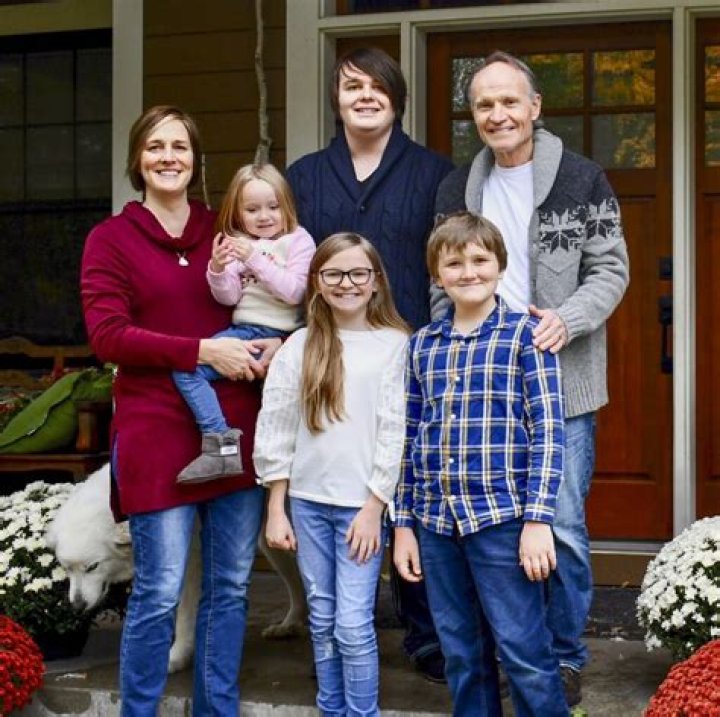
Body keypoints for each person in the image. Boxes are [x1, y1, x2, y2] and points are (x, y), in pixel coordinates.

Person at [433, 51, 630, 707]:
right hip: (481, 390)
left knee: (560, 528)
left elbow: (611, 270)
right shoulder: (457, 188)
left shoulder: (581, 178)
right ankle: (513, 650)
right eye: (484, 104)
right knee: (494, 527)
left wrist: (567, 320)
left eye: (509, 101)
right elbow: (441, 279)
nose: (498, 114)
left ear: (535, 106)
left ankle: (564, 654)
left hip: (561, 383)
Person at [80, 105, 278, 716]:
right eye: (156, 146)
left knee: (230, 587)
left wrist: (280, 344)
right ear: (137, 159)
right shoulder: (111, 239)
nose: (169, 157)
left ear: (196, 159)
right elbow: (108, 335)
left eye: (180, 146)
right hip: (157, 431)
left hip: (234, 426)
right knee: (161, 590)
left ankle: (216, 709)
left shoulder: (224, 230)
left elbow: (278, 299)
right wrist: (201, 350)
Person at [287, 45, 453, 682]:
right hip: (329, 361)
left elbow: (448, 264)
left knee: (411, 486)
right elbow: (285, 263)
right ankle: (333, 637)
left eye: (376, 87)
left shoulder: (436, 174)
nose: (364, 96)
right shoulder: (304, 176)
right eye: (351, 86)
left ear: (396, 99)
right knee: (335, 489)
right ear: (336, 99)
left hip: (410, 356)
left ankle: (426, 634)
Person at [394, 211, 568, 717]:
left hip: (503, 521)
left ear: (500, 265)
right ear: (436, 275)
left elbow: (549, 432)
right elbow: (408, 437)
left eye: (479, 260)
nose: (468, 272)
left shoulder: (526, 337)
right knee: (461, 652)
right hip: (436, 524)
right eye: (454, 263)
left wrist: (538, 520)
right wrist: (403, 525)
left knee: (524, 652)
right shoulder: (422, 346)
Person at [254, 233, 408, 717]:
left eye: (358, 273)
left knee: (353, 625)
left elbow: (395, 431)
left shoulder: (395, 345)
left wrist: (375, 506)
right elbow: (278, 424)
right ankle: (331, 709)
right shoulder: (300, 346)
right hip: (306, 504)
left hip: (361, 507)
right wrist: (276, 508)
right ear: (317, 282)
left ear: (376, 281)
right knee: (321, 620)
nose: (347, 283)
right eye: (333, 274)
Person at [172, 163, 315, 483]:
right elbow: (229, 297)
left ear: (286, 206)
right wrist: (217, 269)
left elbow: (294, 292)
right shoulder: (237, 242)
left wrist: (253, 258)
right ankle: (220, 445)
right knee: (188, 367)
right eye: (252, 209)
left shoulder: (298, 240)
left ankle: (282, 468)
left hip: (281, 335)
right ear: (238, 213)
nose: (264, 216)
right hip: (245, 331)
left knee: (281, 406)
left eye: (273, 207)